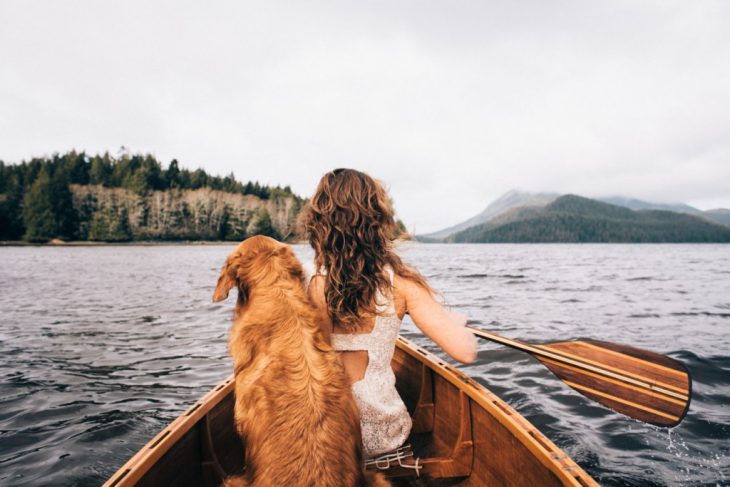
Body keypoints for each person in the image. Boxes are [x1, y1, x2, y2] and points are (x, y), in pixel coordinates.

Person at [301, 168, 477, 461]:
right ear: (377, 221)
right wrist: (458, 325)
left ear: (318, 223)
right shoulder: (402, 285)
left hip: (316, 438)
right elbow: (465, 352)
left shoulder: (298, 282)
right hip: (381, 439)